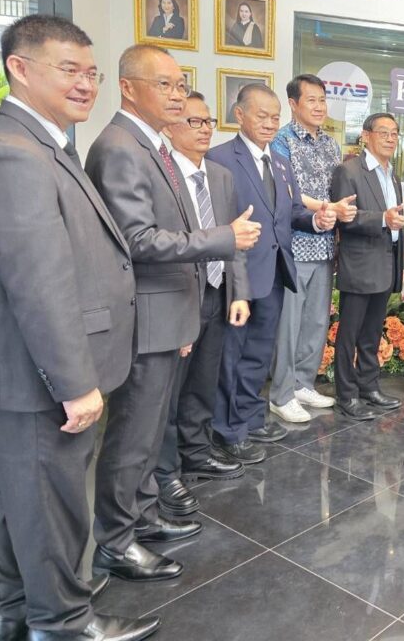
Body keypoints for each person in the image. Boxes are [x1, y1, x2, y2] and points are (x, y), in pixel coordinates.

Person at [0, 15, 158, 641]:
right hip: (42, 379)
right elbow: (38, 282)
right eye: (69, 70)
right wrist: (73, 383)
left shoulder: (44, 145)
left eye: (92, 73)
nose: (86, 84)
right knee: (52, 506)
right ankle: (64, 623)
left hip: (35, 374)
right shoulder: (17, 154)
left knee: (26, 503)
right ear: (19, 68)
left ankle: (21, 609)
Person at [87, 45, 248, 583]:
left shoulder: (149, 144)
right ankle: (116, 542)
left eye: (181, 85)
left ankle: (142, 516)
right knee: (132, 434)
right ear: (128, 87)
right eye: (166, 85)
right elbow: (137, 240)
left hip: (168, 313)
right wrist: (223, 237)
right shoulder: (120, 147)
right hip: (146, 317)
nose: (178, 96)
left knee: (151, 428)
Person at [206, 84, 338, 463]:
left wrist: (315, 220)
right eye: (261, 115)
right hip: (238, 275)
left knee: (259, 355)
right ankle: (227, 430)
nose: (268, 123)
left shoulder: (280, 161)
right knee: (231, 356)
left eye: (274, 117)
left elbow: (291, 212)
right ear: (239, 115)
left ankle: (251, 418)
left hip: (275, 273)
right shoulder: (220, 159)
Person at [153, 93, 256, 520]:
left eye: (208, 121)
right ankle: (165, 471)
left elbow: (235, 239)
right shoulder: (161, 172)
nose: (204, 129)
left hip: (215, 291)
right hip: (177, 296)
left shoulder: (220, 175)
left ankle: (196, 451)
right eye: (193, 121)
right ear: (169, 125)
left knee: (202, 381)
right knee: (167, 391)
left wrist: (239, 291)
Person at [269, 75, 349, 423]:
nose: (319, 106)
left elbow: (336, 190)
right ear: (293, 103)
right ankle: (281, 394)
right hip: (295, 245)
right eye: (312, 100)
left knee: (316, 320)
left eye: (323, 100)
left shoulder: (331, 145)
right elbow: (287, 192)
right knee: (289, 324)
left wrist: (338, 215)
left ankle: (303, 383)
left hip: (325, 245)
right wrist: (327, 208)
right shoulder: (281, 141)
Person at [330, 112, 404, 419]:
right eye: (383, 132)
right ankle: (346, 395)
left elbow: (396, 220)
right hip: (360, 265)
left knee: (372, 332)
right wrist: (382, 219)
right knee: (349, 334)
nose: (390, 139)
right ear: (366, 136)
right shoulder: (348, 171)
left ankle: (369, 386)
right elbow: (344, 218)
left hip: (386, 263)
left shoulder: (393, 175)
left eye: (394, 133)